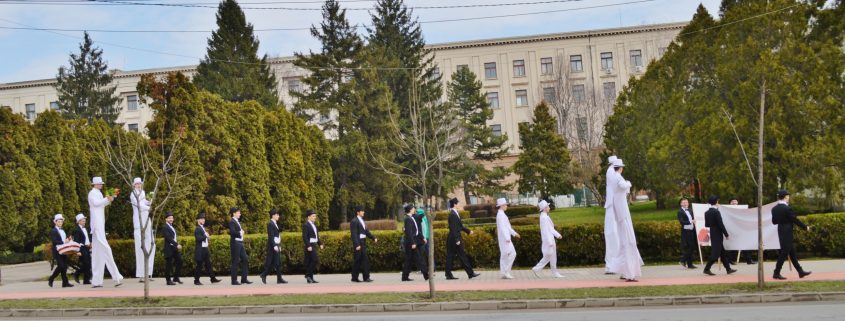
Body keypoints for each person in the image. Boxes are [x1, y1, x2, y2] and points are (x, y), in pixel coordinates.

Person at [607, 159, 643, 281]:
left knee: (627, 241)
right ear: (620, 168)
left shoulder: (614, 178)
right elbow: (623, 186)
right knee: (628, 241)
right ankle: (629, 273)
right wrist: (628, 183)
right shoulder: (617, 177)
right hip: (622, 212)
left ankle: (627, 272)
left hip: (621, 210)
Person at [88, 176, 123, 288]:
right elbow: (97, 204)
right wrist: (107, 198)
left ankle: (96, 281)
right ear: (95, 184)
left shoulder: (97, 193)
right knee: (106, 249)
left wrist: (110, 198)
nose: (102, 185)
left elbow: (102, 204)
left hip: (99, 225)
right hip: (97, 225)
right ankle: (116, 277)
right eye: (100, 183)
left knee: (98, 254)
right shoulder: (92, 193)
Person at [772, 190, 812, 280]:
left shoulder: (774, 209)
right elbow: (795, 220)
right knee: (784, 253)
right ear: (785, 197)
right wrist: (805, 227)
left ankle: (800, 272)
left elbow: (774, 222)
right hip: (787, 232)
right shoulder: (787, 208)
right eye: (788, 196)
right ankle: (776, 273)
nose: (789, 197)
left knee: (792, 253)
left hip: (781, 231)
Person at [445, 198, 480, 280]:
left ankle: (448, 274)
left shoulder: (455, 213)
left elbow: (459, 226)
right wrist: (457, 239)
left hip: (453, 237)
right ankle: (470, 273)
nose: (459, 205)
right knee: (460, 255)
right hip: (454, 238)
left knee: (452, 256)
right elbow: (453, 228)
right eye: (458, 203)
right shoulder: (453, 214)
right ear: (454, 204)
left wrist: (468, 231)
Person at [703, 195, 737, 276]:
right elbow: (721, 224)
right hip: (718, 234)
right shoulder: (716, 212)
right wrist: (726, 234)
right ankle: (706, 269)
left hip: (712, 233)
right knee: (715, 255)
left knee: (722, 253)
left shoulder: (707, 212)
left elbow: (707, 224)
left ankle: (728, 269)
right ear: (717, 202)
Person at [130, 177, 155, 282]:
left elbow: (144, 202)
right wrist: (148, 207)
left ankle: (148, 273)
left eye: (140, 183)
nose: (139, 185)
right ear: (134, 185)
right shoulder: (133, 194)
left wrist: (150, 201)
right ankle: (141, 275)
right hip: (139, 222)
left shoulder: (143, 192)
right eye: (137, 184)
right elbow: (139, 205)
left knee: (151, 244)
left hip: (146, 220)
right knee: (140, 248)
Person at [532, 200, 563, 278]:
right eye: (548, 206)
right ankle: (536, 268)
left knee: (553, 256)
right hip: (548, 240)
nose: (549, 207)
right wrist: (550, 242)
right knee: (548, 256)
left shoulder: (545, 216)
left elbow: (551, 229)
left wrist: (557, 235)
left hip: (550, 239)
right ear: (545, 208)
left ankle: (554, 272)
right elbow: (546, 231)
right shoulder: (544, 218)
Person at [350, 205, 378, 283]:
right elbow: (354, 234)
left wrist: (373, 237)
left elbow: (366, 232)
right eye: (362, 211)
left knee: (365, 260)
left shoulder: (362, 220)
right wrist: (357, 244)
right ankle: (355, 277)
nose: (363, 212)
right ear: (358, 212)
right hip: (359, 243)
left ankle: (366, 277)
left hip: (363, 242)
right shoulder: (354, 221)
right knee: (357, 261)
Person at [401, 204, 429, 281]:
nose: (414, 209)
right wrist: (413, 243)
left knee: (409, 260)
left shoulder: (411, 218)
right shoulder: (408, 219)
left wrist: (422, 237)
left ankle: (404, 277)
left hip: (413, 242)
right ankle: (426, 275)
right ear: (410, 210)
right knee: (419, 259)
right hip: (411, 243)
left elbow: (416, 230)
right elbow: (409, 233)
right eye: (413, 208)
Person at [604, 155, 621, 274]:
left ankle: (614, 264)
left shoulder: (611, 172)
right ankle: (612, 264)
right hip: (612, 205)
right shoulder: (612, 172)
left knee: (614, 234)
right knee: (613, 234)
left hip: (614, 205)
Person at [260, 208, 287, 284]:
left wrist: (279, 245)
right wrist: (275, 245)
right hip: (272, 246)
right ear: (273, 215)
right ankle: (264, 274)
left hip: (276, 245)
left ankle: (279, 279)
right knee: (270, 263)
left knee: (278, 263)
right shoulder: (270, 224)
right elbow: (271, 236)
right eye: (277, 214)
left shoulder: (276, 224)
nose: (278, 216)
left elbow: (277, 236)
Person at [726, 197, 756, 265]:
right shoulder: (727, 210)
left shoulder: (741, 209)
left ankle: (749, 260)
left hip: (741, 230)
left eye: (735, 201)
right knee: (732, 245)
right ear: (730, 203)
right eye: (733, 202)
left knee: (745, 244)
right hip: (731, 230)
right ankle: (729, 260)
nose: (734, 203)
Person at [495, 198, 520, 279]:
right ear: (501, 206)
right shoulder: (500, 215)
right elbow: (502, 228)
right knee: (511, 254)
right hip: (505, 239)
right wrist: (507, 238)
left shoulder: (502, 214)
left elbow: (508, 227)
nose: (506, 206)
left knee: (505, 255)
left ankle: (504, 272)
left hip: (505, 238)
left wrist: (514, 234)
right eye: (505, 205)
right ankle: (506, 271)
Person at [194, 212, 221, 285]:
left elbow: (203, 238)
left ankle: (212, 278)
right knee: (199, 265)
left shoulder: (202, 228)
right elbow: (198, 238)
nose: (203, 220)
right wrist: (205, 236)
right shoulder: (197, 229)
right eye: (202, 219)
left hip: (205, 248)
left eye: (204, 219)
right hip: (200, 249)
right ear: (198, 220)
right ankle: (196, 280)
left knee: (208, 264)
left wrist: (207, 237)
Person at [48, 214, 74, 288]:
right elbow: (54, 241)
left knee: (64, 267)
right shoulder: (53, 231)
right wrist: (64, 241)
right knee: (61, 266)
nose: (60, 223)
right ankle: (51, 278)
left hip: (64, 250)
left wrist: (69, 240)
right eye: (59, 222)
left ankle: (65, 283)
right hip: (57, 251)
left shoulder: (63, 230)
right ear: (55, 222)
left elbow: (64, 240)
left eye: (61, 222)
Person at [229, 207, 251, 285]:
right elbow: (232, 232)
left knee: (245, 259)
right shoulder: (232, 222)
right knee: (235, 261)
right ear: (234, 213)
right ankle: (234, 280)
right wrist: (240, 233)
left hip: (240, 243)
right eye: (238, 213)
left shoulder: (237, 221)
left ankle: (244, 279)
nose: (240, 214)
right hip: (235, 243)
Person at [302, 209, 324, 284]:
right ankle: (307, 275)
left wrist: (320, 244)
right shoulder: (306, 225)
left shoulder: (314, 225)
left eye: (315, 216)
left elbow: (317, 237)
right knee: (315, 260)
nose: (315, 217)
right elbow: (304, 237)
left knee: (311, 261)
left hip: (314, 245)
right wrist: (308, 245)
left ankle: (310, 278)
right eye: (313, 216)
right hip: (310, 246)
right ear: (309, 217)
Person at [161, 211, 183, 286]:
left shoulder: (172, 227)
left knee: (180, 261)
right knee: (169, 265)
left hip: (174, 248)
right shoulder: (165, 227)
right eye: (169, 218)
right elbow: (168, 238)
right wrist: (177, 244)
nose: (171, 219)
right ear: (166, 219)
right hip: (169, 248)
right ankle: (168, 280)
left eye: (172, 218)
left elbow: (174, 237)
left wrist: (176, 245)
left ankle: (176, 277)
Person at [72, 213, 92, 284]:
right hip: (81, 248)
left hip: (87, 247)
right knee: (86, 263)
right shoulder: (77, 230)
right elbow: (76, 241)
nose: (84, 221)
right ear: (78, 221)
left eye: (84, 220)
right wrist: (78, 251)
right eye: (83, 220)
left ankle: (86, 280)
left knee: (88, 264)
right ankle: (77, 273)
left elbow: (86, 238)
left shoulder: (85, 228)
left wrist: (90, 243)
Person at [677, 198, 697, 269]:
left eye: (687, 202)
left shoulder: (690, 210)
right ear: (681, 204)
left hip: (692, 230)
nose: (686, 203)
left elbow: (694, 218)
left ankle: (690, 264)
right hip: (686, 231)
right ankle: (682, 260)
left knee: (691, 247)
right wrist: (691, 221)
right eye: (684, 202)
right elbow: (681, 222)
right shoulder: (680, 212)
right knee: (690, 247)